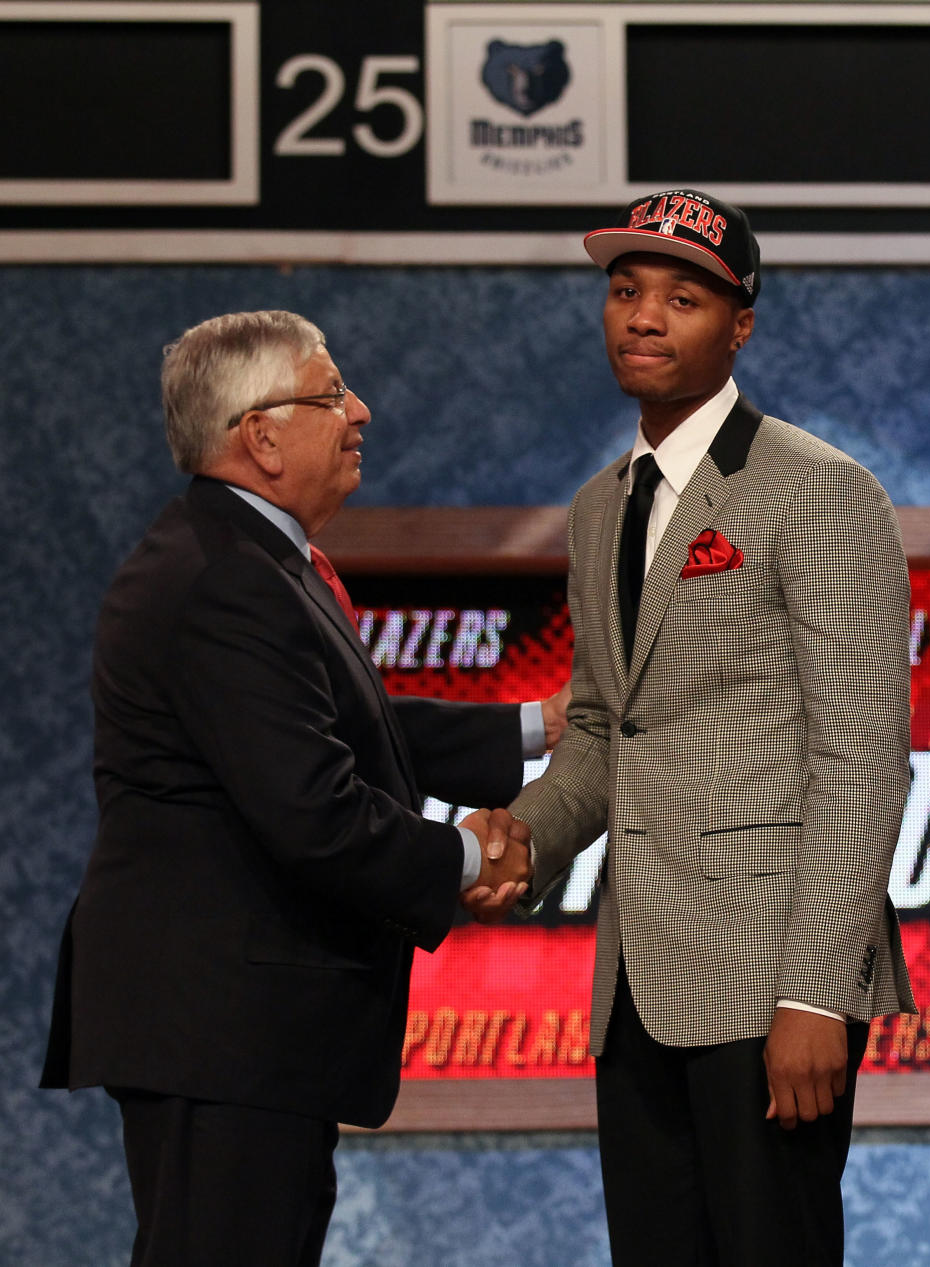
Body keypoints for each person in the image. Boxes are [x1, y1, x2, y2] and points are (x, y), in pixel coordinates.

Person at [41, 310, 559, 1267]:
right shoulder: (222, 577)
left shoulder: (247, 558)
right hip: (220, 1034)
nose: (359, 410)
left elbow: (345, 722)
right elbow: (313, 807)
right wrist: (469, 853)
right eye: (330, 394)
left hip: (236, 1035)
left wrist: (536, 725)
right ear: (262, 435)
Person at [472, 190, 916, 1265]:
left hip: (772, 985)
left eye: (681, 296)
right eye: (626, 293)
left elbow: (861, 759)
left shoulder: (819, 489)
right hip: (635, 985)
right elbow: (601, 729)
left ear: (741, 323)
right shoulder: (596, 506)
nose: (644, 317)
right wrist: (527, 835)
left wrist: (815, 992)